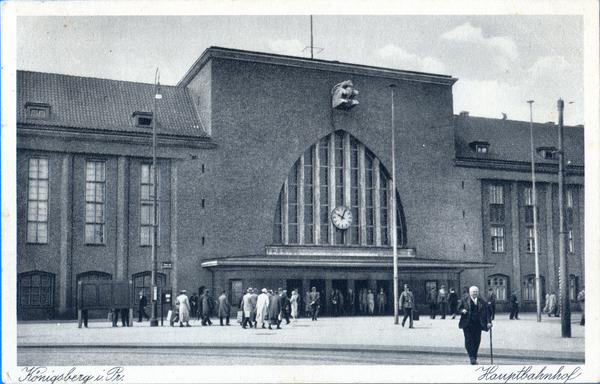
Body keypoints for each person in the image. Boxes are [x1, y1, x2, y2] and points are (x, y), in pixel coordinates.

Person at [457, 286, 492, 365]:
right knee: (469, 341)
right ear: (470, 293)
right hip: (467, 324)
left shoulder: (481, 301)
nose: (475, 293)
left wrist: (489, 322)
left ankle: (474, 357)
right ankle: (472, 357)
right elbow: (457, 309)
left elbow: (487, 313)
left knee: (477, 341)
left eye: (476, 292)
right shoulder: (464, 300)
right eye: (473, 292)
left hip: (478, 324)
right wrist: (462, 310)